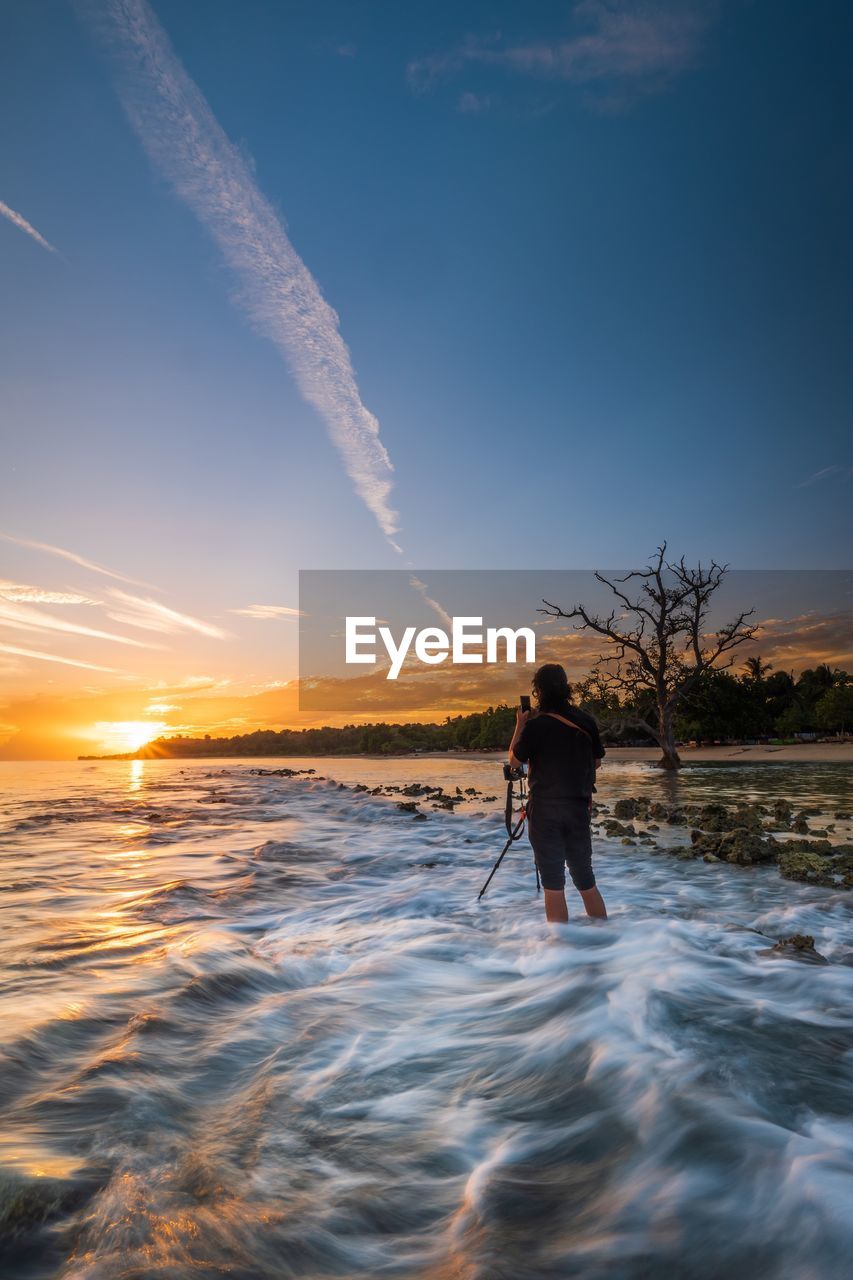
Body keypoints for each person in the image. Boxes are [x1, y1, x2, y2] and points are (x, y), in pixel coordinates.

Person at [508, 663, 607, 924]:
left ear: (538, 691)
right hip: (578, 808)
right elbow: (596, 762)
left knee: (553, 883)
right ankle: (603, 936)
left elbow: (514, 762)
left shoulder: (536, 725)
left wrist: (520, 724)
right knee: (585, 878)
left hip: (545, 811)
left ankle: (561, 947)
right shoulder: (586, 720)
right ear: (566, 687)